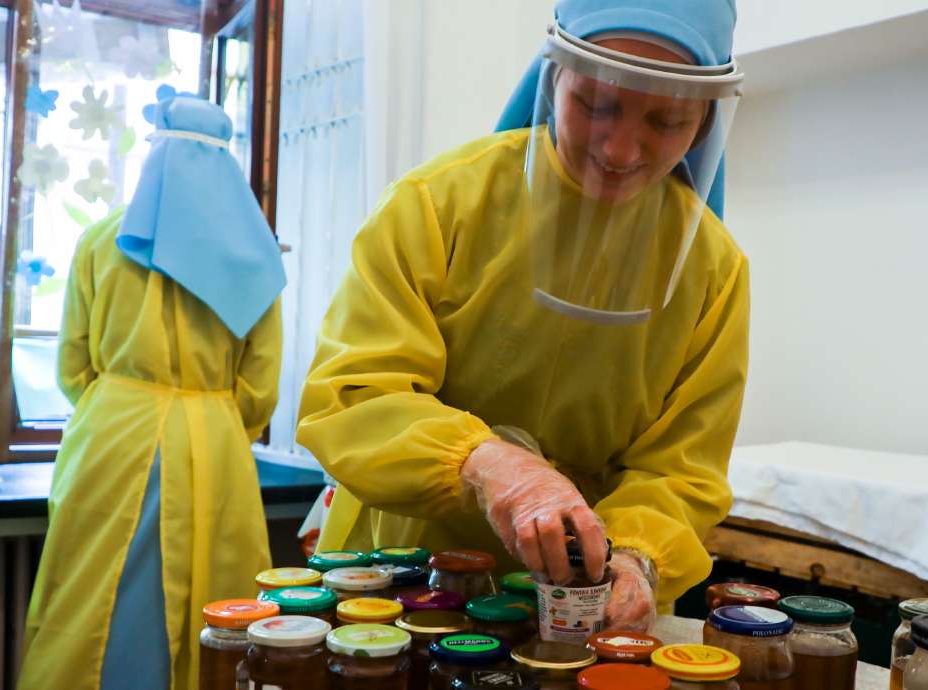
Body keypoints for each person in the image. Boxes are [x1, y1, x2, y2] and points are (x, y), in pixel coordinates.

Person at [297, 0, 747, 631]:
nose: (620, 149)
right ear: (553, 76)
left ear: (703, 123)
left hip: (582, 598)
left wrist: (640, 555)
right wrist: (487, 464)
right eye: (596, 105)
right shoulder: (437, 205)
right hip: (408, 574)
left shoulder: (713, 269)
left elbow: (683, 467)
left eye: (668, 120)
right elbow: (355, 397)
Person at [18, 89, 285, 690]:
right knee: (221, 604)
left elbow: (72, 366)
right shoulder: (255, 254)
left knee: (87, 595)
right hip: (215, 442)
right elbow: (259, 385)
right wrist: (211, 419)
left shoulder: (99, 240)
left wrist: (120, 404)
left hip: (111, 435)